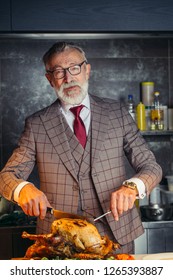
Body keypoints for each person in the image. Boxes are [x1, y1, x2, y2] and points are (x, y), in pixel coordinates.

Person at [0, 41, 162, 254]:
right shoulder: (37, 124)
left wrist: (132, 187)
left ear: (87, 70)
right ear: (50, 79)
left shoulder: (117, 114)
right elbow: (7, 176)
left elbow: (151, 167)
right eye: (59, 72)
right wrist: (23, 189)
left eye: (74, 68)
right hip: (59, 241)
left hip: (116, 236)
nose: (69, 78)